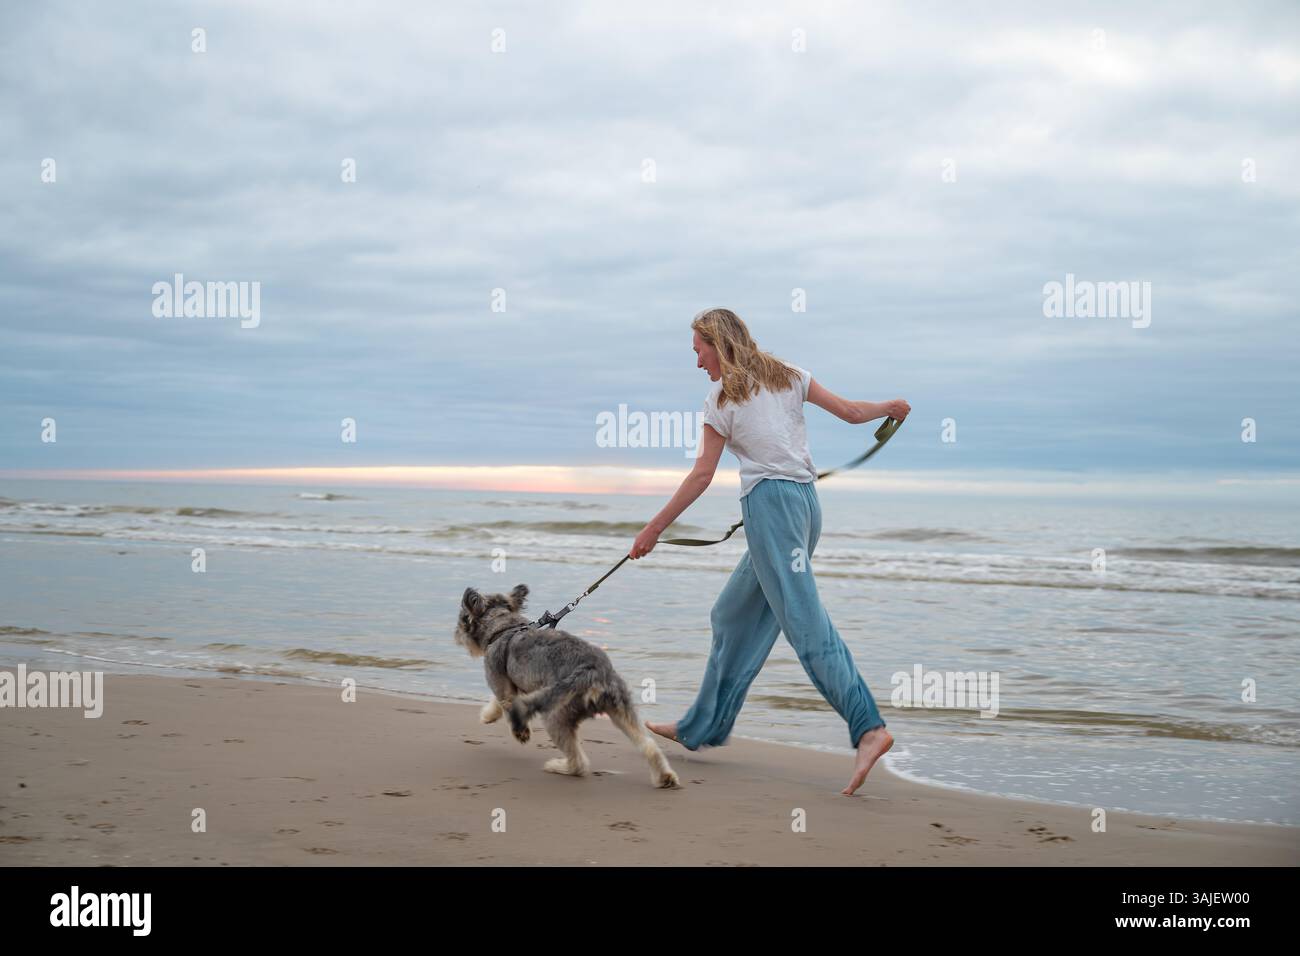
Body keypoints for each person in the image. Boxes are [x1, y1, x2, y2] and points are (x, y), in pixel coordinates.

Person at [630, 307, 909, 795]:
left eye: (699, 350)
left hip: (774, 509)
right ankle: (702, 726)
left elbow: (701, 475)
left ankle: (868, 728)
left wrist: (653, 528)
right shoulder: (789, 375)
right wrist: (889, 407)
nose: (698, 363)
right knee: (731, 615)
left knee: (804, 621)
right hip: (803, 506)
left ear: (719, 343)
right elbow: (848, 413)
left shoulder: (720, 398)